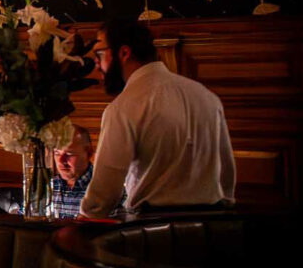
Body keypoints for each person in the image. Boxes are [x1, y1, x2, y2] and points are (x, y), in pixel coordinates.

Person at [80, 18, 236, 217]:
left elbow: (103, 196)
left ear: (124, 53)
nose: (96, 64)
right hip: (214, 225)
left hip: (151, 230)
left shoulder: (124, 107)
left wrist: (82, 221)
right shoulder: (207, 97)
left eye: (99, 54)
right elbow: (227, 177)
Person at [50, 125, 96, 219]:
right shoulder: (48, 187)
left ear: (89, 153)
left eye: (69, 154)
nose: (60, 161)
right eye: (57, 153)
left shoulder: (105, 190)